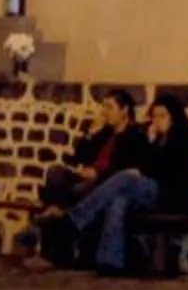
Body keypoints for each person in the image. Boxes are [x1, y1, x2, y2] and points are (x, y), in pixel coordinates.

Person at [63, 94, 188, 276]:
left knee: (124, 177)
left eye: (163, 116)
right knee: (119, 201)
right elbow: (146, 164)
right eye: (155, 116)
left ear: (173, 117)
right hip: (151, 194)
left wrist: (146, 161)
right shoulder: (155, 138)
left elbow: (170, 171)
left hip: (172, 195)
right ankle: (110, 262)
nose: (158, 121)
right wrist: (150, 147)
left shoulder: (184, 138)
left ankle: (75, 219)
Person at [30, 91, 134, 269]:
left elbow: (126, 170)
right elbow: (78, 157)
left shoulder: (134, 136)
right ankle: (57, 213)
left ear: (124, 110)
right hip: (86, 178)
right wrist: (90, 135)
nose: (105, 113)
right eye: (104, 107)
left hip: (104, 184)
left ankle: (52, 250)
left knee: (64, 197)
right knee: (55, 172)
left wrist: (98, 174)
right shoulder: (105, 133)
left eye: (110, 108)